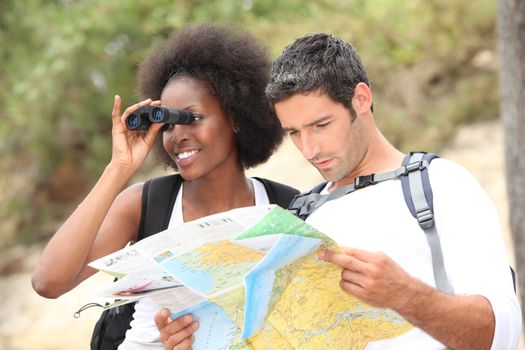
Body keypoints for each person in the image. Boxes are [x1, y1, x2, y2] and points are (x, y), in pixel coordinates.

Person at [31, 24, 298, 349]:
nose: (178, 134)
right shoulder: (148, 204)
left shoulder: (286, 208)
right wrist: (119, 169)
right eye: (168, 125)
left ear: (236, 118)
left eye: (193, 118)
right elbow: (49, 282)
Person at [263, 33, 521, 349]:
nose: (309, 149)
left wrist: (405, 294)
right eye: (294, 133)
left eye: (321, 125)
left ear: (361, 99)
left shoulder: (440, 185)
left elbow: (502, 336)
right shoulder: (301, 217)